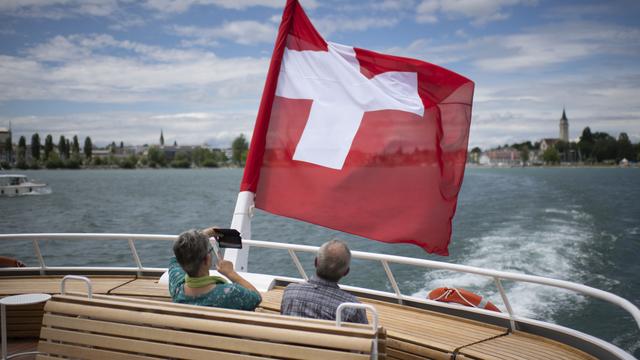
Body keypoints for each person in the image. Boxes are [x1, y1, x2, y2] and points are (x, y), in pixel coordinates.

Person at [169, 227, 261, 311]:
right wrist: (230, 273)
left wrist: (201, 237)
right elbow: (256, 297)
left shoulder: (177, 288)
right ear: (206, 259)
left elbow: (176, 258)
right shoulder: (231, 293)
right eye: (209, 250)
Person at [280, 239, 368, 324]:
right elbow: (365, 337)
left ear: (315, 262)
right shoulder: (352, 308)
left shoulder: (290, 293)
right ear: (346, 272)